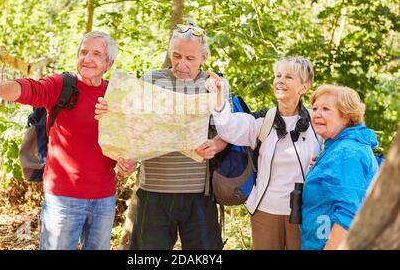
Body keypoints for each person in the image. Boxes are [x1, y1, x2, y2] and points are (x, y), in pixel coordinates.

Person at [0, 30, 131, 250]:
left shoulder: (116, 96)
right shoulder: (61, 86)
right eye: (83, 52)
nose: (87, 58)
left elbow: (128, 140)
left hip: (104, 199)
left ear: (109, 63)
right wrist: (1, 89)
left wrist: (129, 161)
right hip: (63, 199)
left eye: (96, 54)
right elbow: (31, 89)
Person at [95, 20, 231, 250]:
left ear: (204, 58)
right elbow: (134, 127)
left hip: (199, 193)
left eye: (190, 58)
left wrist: (216, 145)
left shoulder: (216, 85)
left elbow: (227, 130)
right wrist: (112, 117)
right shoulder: (152, 79)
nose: (181, 64)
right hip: (153, 192)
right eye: (176, 56)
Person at [207, 56, 321, 250]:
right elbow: (229, 128)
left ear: (304, 86)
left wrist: (322, 162)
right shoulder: (263, 120)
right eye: (278, 75)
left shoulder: (317, 122)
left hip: (306, 211)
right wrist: (218, 99)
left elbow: (337, 151)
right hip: (265, 211)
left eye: (289, 77)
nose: (280, 81)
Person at [301, 84, 379, 250]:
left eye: (326, 109)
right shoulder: (336, 147)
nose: (317, 114)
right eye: (315, 108)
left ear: (346, 116)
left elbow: (348, 214)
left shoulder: (347, 152)